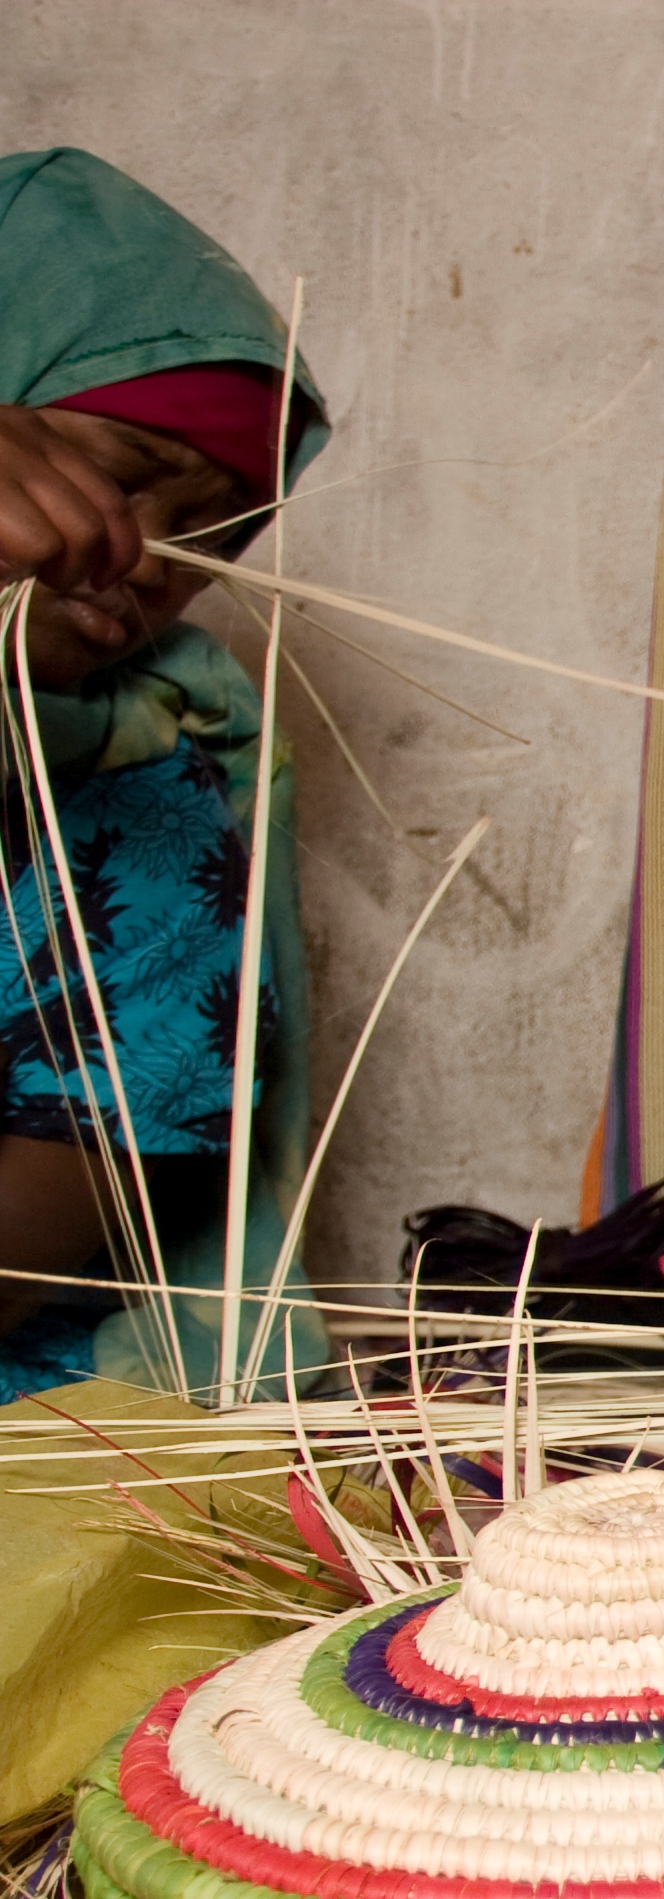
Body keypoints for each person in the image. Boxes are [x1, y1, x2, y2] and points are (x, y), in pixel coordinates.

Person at [0, 150, 327, 1399]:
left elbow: (51, 1208)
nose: (147, 557)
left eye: (213, 533)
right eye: (118, 478)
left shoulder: (153, 796)